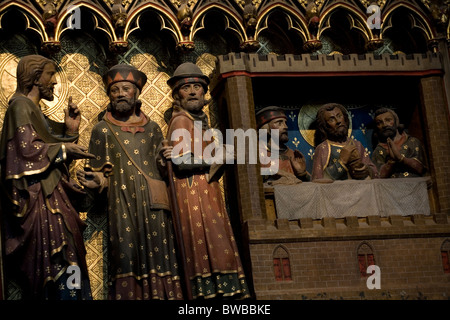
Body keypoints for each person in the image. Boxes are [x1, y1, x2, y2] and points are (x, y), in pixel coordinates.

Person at [76, 64, 183, 300]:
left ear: (136, 93)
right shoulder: (102, 130)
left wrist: (168, 160)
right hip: (122, 208)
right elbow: (97, 179)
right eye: (114, 90)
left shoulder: (153, 129)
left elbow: (164, 171)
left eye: (126, 88)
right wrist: (97, 183)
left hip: (155, 208)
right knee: (125, 256)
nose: (120, 94)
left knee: (161, 258)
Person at [0, 55, 93, 299]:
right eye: (50, 74)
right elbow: (26, 151)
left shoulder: (33, 110)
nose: (54, 82)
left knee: (69, 255)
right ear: (34, 77)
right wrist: (64, 149)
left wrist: (70, 132)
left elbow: (46, 145)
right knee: (58, 259)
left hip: (53, 198)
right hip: (39, 201)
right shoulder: (20, 107)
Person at [159, 62, 250, 299]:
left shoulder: (200, 121)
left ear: (204, 92)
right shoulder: (181, 121)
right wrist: (217, 156)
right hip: (192, 192)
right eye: (186, 87)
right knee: (206, 241)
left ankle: (224, 290)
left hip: (207, 189)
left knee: (218, 239)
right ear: (177, 94)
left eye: (197, 87)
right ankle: (209, 292)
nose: (191, 91)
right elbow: (181, 162)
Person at [312, 103, 378, 181]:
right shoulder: (323, 148)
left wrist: (365, 170)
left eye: (339, 116)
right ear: (325, 126)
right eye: (331, 119)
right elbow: (318, 180)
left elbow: (375, 173)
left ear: (345, 118)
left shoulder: (357, 145)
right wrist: (341, 162)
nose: (338, 121)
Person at [256, 106, 310, 185]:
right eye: (279, 123)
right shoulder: (257, 153)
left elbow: (311, 183)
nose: (285, 127)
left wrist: (302, 174)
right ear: (266, 127)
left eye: (285, 123)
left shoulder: (291, 154)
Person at [371, 107, 426, 178]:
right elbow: (378, 176)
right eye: (379, 123)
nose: (384, 125)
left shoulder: (412, 142)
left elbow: (421, 168)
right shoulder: (379, 151)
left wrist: (401, 159)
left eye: (388, 120)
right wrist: (391, 162)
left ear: (396, 122)